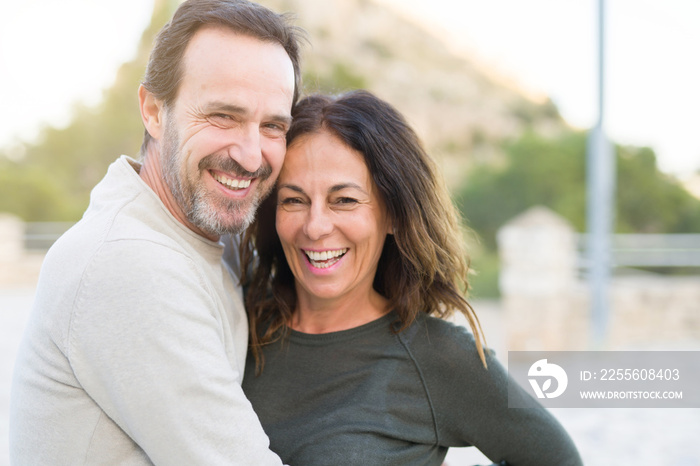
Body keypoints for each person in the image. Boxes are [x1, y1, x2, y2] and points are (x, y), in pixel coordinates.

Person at [9, 1, 304, 464]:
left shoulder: (203, 237)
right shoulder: (130, 262)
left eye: (272, 126)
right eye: (223, 116)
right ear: (153, 110)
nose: (250, 156)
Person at [239, 90, 584, 466]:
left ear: (393, 215)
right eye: (293, 200)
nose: (315, 226)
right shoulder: (237, 321)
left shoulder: (439, 356)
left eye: (345, 200)